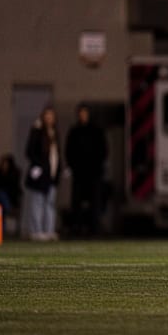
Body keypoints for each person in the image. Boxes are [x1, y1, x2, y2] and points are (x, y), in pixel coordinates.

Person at [65, 102, 108, 237]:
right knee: (76, 202)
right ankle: (76, 228)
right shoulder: (74, 131)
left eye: (85, 113)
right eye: (81, 113)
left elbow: (103, 150)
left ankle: (94, 229)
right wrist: (73, 166)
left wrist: (97, 166)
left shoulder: (96, 130)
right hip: (79, 173)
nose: (83, 116)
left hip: (94, 173)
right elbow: (69, 151)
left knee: (94, 203)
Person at [24, 105, 62, 241]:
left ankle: (49, 230)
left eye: (51, 116)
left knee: (50, 204)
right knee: (37, 203)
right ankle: (36, 231)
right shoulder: (37, 131)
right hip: (39, 175)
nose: (49, 118)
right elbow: (29, 151)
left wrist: (58, 172)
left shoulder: (54, 133)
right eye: (47, 115)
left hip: (51, 175)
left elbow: (56, 155)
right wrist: (37, 165)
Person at [0, 153, 23, 235]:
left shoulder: (13, 174)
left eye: (6, 164)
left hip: (10, 200)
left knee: (1, 197)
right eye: (3, 163)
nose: (4, 166)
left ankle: (6, 207)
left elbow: (14, 189)